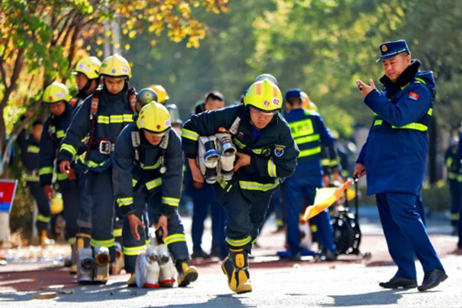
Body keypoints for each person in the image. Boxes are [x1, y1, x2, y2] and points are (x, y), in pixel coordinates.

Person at [182, 79, 298, 293]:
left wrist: (250, 161)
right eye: (258, 111)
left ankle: (232, 261)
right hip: (231, 182)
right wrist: (193, 166)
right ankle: (241, 273)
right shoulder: (231, 115)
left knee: (251, 230)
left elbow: (287, 167)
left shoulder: (281, 129)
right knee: (238, 221)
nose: (263, 117)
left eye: (269, 112)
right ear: (248, 107)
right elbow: (191, 127)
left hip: (262, 189)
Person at [355, 39, 447, 291]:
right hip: (384, 165)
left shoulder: (419, 89)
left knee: (404, 214)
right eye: (385, 63)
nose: (389, 68)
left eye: (393, 62)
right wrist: (363, 159)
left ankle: (434, 267)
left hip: (405, 163)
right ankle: (406, 271)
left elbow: (399, 117)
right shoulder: (390, 93)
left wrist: (372, 97)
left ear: (408, 60)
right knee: (390, 219)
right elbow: (377, 130)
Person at [58, 54, 135, 283]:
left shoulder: (135, 102)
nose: (113, 86)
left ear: (126, 80)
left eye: (118, 82)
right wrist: (65, 155)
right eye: (109, 81)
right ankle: (102, 260)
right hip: (99, 167)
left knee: (132, 212)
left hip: (127, 168)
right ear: (102, 79)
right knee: (101, 214)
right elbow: (74, 132)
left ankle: (133, 264)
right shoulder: (92, 103)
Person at [112, 102, 198, 287]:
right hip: (134, 184)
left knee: (172, 221)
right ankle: (135, 271)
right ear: (141, 128)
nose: (156, 138)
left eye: (160, 135)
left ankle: (183, 266)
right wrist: (129, 211)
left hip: (158, 183)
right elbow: (121, 175)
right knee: (133, 224)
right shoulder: (127, 137)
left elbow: (174, 175)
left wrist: (165, 213)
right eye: (152, 134)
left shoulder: (173, 139)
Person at [278, 88, 339, 261]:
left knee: (292, 213)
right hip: (313, 174)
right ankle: (329, 249)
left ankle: (295, 251)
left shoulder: (283, 121)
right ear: (302, 101)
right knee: (321, 210)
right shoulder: (314, 118)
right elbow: (329, 140)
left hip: (293, 176)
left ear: (288, 104)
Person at [39, 81, 80, 272]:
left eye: (58, 104)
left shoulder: (78, 117)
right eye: (51, 106)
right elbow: (45, 154)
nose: (55, 109)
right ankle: (76, 255)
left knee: (88, 214)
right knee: (71, 217)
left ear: (66, 102)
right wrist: (46, 182)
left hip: (84, 175)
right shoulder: (50, 125)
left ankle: (93, 254)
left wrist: (77, 168)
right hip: (65, 180)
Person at [187, 92, 227, 259]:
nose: (219, 110)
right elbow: (188, 152)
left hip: (218, 177)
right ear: (207, 105)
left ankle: (217, 247)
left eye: (221, 108)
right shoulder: (195, 122)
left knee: (219, 215)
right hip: (200, 179)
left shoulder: (224, 122)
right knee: (200, 215)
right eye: (215, 107)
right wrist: (195, 174)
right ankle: (197, 247)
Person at [71, 56, 101, 260]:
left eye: (82, 77)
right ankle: (83, 258)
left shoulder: (104, 102)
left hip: (103, 163)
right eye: (78, 77)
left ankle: (111, 256)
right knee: (83, 211)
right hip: (83, 165)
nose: (78, 81)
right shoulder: (78, 103)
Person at [17, 119, 50, 245]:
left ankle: (41, 234)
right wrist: (24, 117)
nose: (40, 133)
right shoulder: (27, 143)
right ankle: (41, 234)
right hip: (33, 182)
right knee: (45, 208)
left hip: (44, 181)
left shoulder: (45, 145)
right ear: (32, 130)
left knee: (45, 210)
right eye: (38, 130)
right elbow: (19, 134)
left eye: (42, 130)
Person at [445, 137, 461, 234]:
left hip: (460, 181)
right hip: (454, 182)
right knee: (455, 203)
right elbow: (448, 163)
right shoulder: (449, 151)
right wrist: (454, 161)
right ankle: (454, 226)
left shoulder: (460, 150)